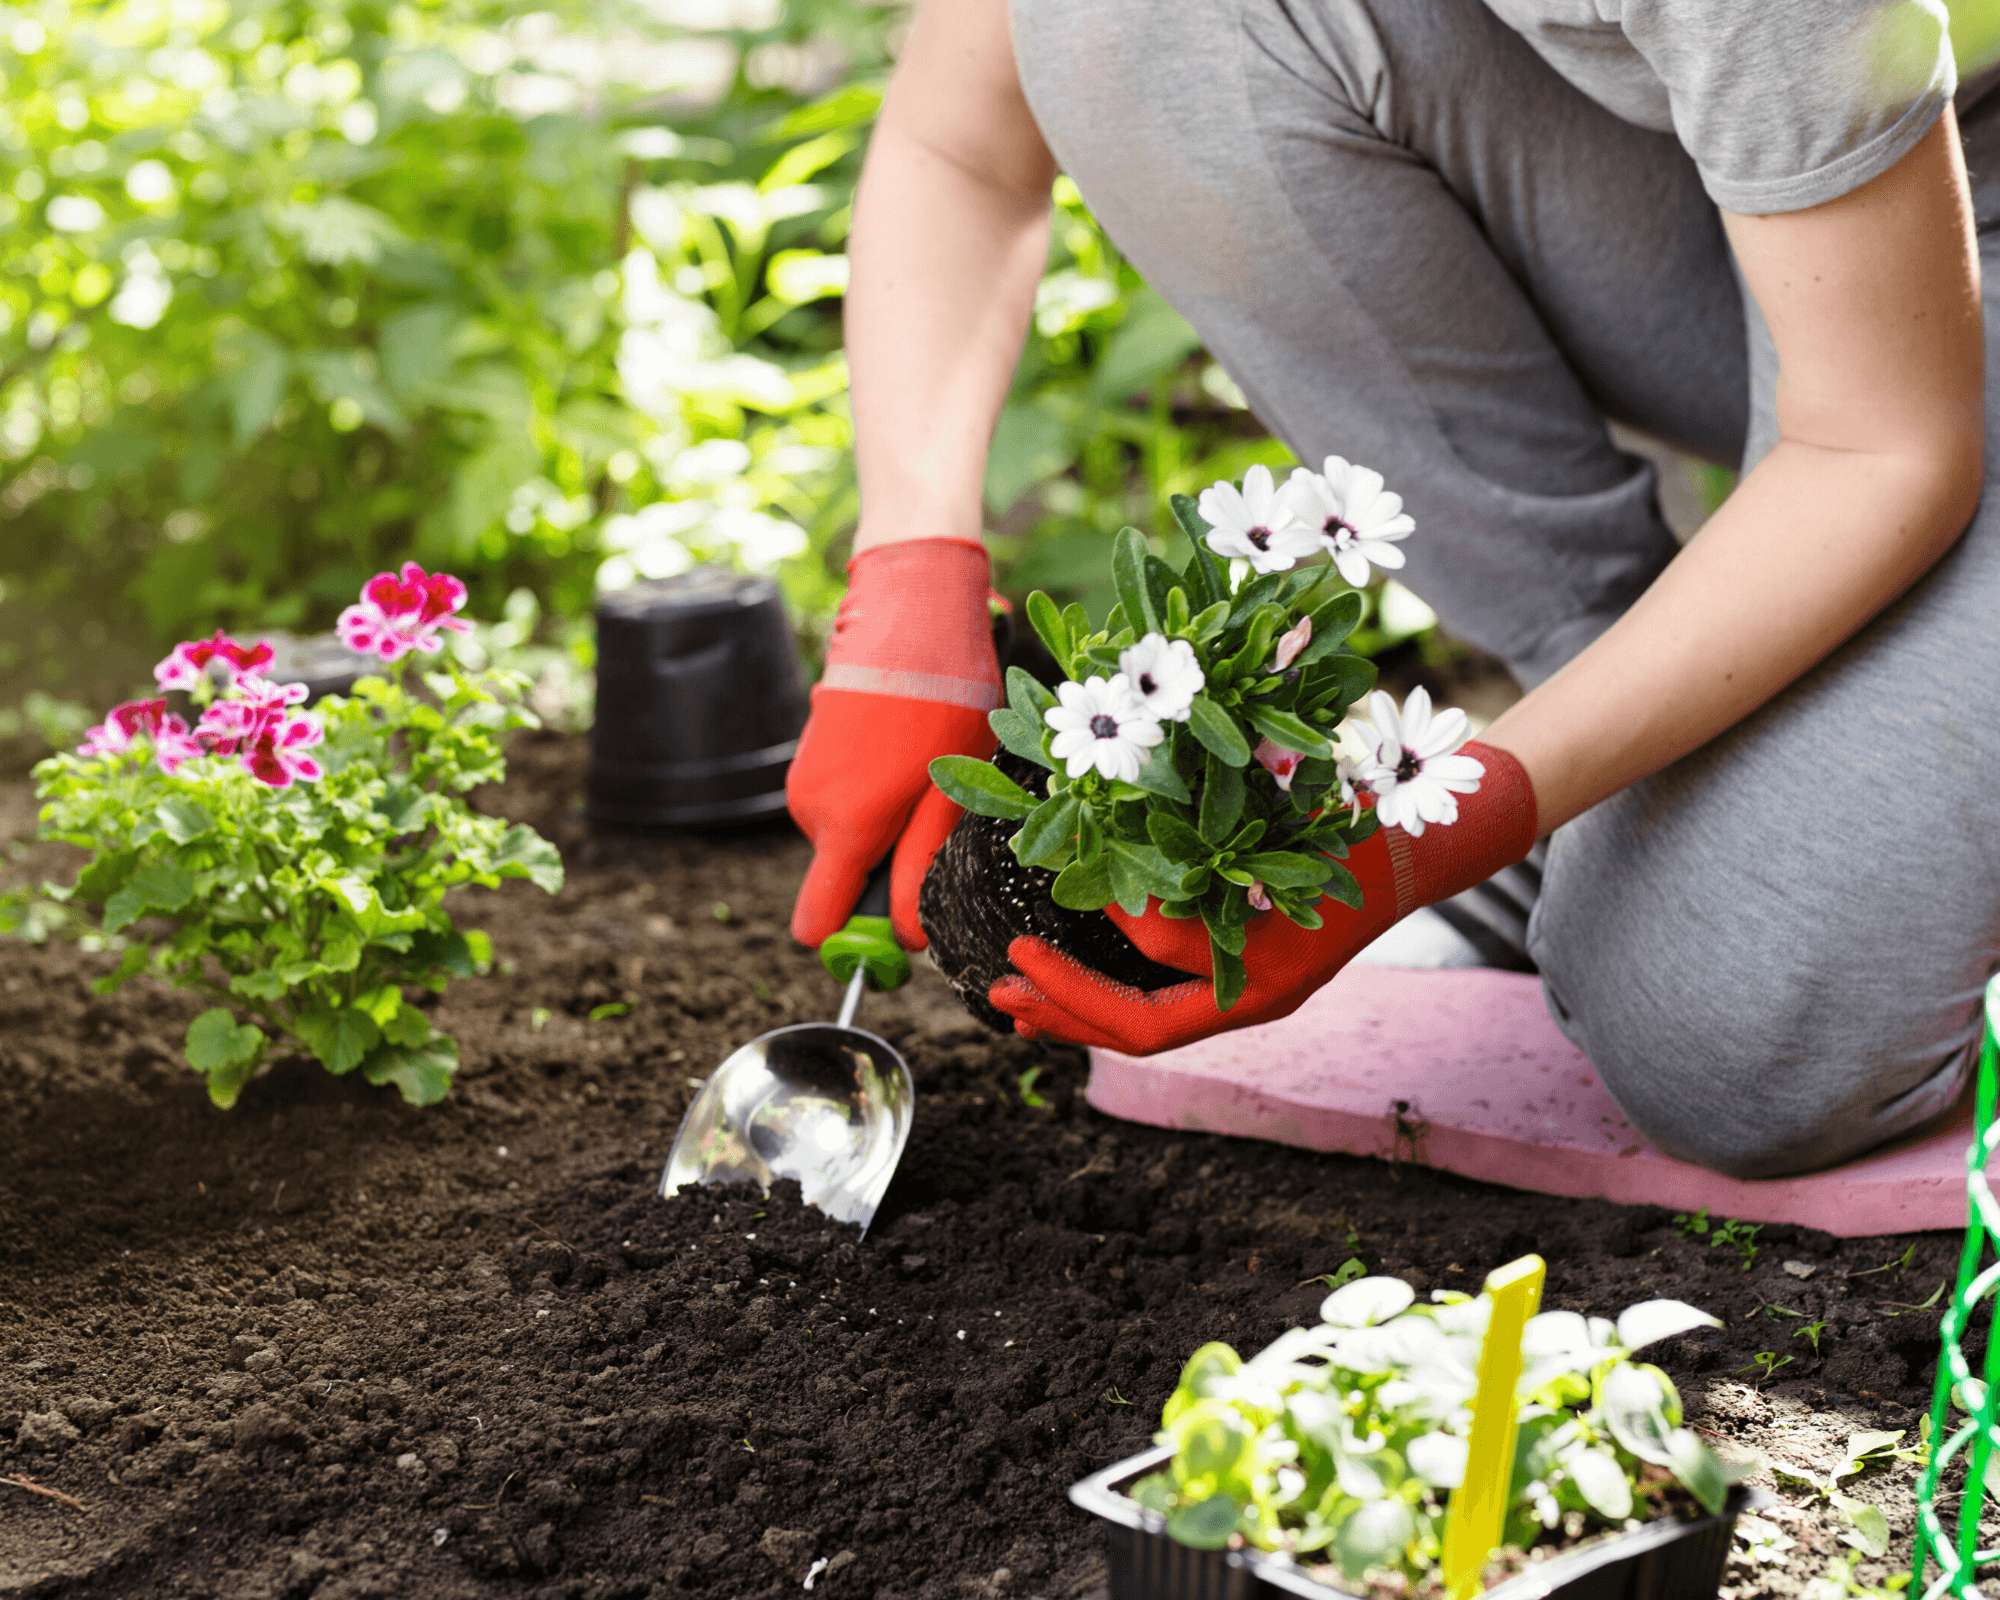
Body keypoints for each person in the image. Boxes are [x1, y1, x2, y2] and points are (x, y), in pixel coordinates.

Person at [785, 0, 1997, 1180]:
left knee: (1726, 1044)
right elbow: (961, 138)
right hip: (1767, 216)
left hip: (1934, 271)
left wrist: (1421, 841)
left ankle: (1678, 816)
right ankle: (1626, 769)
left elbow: (1878, 448)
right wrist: (908, 572)